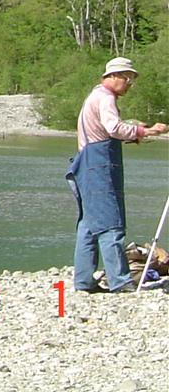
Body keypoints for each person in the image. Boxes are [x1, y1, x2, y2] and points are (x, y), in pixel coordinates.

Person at [65, 57, 167, 294]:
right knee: (112, 223)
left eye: (131, 79)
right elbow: (114, 128)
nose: (129, 83)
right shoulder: (106, 98)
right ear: (112, 76)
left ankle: (84, 281)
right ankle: (120, 281)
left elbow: (106, 131)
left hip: (86, 165)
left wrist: (136, 134)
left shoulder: (95, 96)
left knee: (89, 224)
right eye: (127, 78)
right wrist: (146, 131)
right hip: (99, 167)